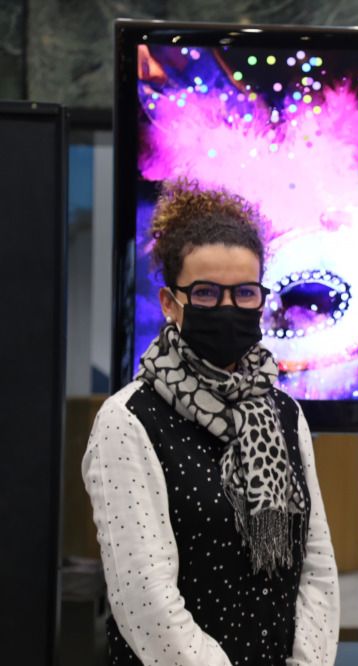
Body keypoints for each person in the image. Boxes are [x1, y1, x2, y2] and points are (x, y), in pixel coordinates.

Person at [83, 179, 340, 665]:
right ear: (169, 303)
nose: (228, 308)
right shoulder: (129, 420)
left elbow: (317, 569)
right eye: (205, 293)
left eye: (245, 293)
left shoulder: (284, 412)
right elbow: (145, 601)